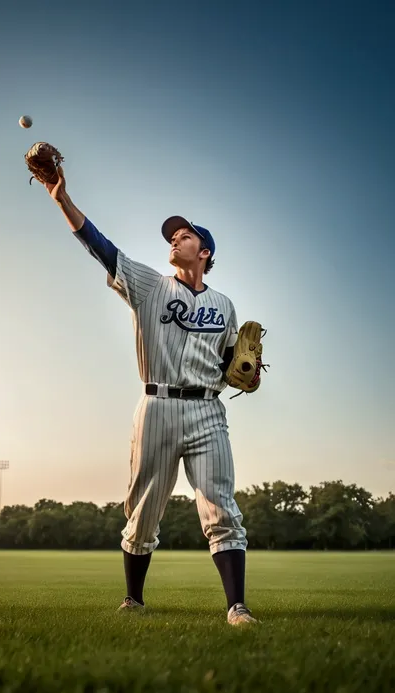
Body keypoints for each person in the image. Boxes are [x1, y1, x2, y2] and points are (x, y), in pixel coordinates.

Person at [43, 167, 257, 626]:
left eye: (184, 236)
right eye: (173, 236)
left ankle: (236, 607)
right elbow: (99, 246)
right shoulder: (148, 283)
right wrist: (62, 199)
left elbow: (231, 365)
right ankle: (134, 599)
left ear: (204, 252)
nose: (174, 239)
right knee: (142, 511)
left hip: (207, 411)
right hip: (156, 406)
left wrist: (245, 372)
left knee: (221, 506)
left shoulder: (225, 306)